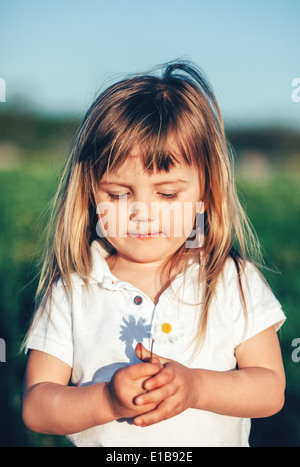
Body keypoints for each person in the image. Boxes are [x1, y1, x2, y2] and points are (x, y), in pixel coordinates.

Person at [21, 61, 286, 447]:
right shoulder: (73, 289)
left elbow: (269, 389)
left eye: (166, 194)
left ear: (205, 196)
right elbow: (37, 406)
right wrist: (107, 399)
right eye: (117, 194)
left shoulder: (231, 279)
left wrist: (195, 387)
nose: (141, 212)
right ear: (91, 194)